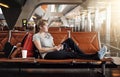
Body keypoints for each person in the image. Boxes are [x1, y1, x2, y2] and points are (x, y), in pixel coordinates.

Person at [32, 19, 107, 60]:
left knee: (69, 40)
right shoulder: (36, 36)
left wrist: (58, 47)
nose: (48, 27)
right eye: (46, 26)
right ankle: (95, 56)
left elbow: (53, 45)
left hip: (54, 51)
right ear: (40, 27)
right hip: (47, 55)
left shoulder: (49, 35)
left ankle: (89, 56)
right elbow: (40, 50)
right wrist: (54, 48)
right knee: (72, 54)